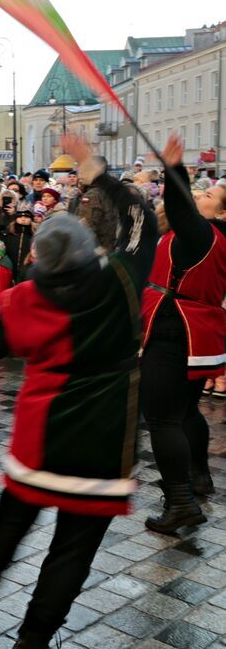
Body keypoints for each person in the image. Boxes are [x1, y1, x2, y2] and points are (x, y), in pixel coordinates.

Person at [0, 131, 155, 648]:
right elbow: (139, 217)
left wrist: (5, 315)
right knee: (72, 552)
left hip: (39, 436)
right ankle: (33, 638)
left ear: (39, 258)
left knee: (8, 531)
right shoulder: (121, 277)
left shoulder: (23, 298)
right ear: (88, 249)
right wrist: (95, 170)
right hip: (104, 436)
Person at [138, 133, 226, 534]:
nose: (203, 195)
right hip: (195, 331)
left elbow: (177, 207)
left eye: (211, 194)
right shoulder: (214, 235)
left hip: (176, 328)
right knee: (187, 412)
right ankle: (199, 477)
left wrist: (174, 169)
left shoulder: (204, 233)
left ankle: (180, 503)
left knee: (162, 419)